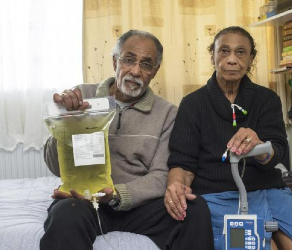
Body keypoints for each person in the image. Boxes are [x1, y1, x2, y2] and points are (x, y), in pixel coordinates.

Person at [40, 30, 214, 250]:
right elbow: (55, 167)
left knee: (195, 209)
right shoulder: (82, 96)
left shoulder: (168, 113)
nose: (135, 71)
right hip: (85, 200)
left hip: (140, 205)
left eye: (146, 64)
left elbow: (161, 175)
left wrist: (117, 196)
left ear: (155, 71)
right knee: (67, 212)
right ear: (115, 61)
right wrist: (68, 121)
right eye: (129, 60)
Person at [165, 26, 292, 250]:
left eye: (240, 52)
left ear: (251, 59)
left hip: (269, 190)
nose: (231, 59)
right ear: (213, 56)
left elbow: (277, 150)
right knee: (244, 247)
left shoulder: (267, 99)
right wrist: (176, 186)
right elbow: (182, 164)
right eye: (224, 51)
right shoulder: (193, 104)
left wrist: (259, 146)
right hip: (218, 195)